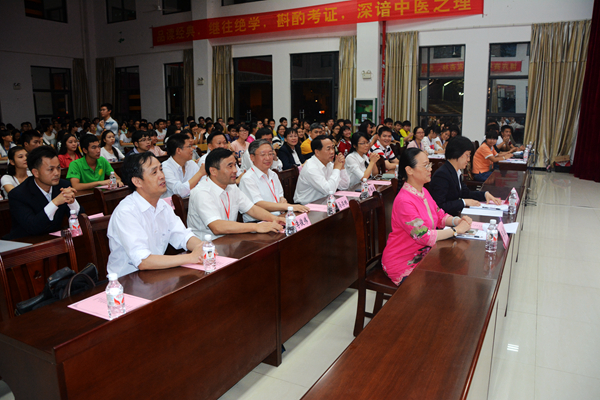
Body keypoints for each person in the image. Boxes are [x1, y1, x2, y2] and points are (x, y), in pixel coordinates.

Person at [381, 148, 472, 285]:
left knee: (453, 276)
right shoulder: (404, 201)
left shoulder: (423, 191)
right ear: (409, 170)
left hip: (425, 254)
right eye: (425, 165)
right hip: (403, 261)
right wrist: (456, 230)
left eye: (429, 164)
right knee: (439, 287)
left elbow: (440, 216)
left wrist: (457, 221)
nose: (430, 169)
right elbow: (424, 236)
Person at [106, 152, 204, 278]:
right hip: (127, 281)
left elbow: (183, 236)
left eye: (161, 170)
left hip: (155, 274)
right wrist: (190, 257)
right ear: (137, 181)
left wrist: (203, 248)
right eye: (154, 172)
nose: (162, 176)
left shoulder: (162, 205)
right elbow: (143, 261)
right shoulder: (126, 212)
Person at [187, 148, 285, 240]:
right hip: (207, 246)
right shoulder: (201, 192)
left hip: (229, 239)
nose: (235, 170)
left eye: (235, 165)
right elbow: (217, 227)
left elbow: (251, 209)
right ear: (213, 171)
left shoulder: (231, 187)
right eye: (230, 166)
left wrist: (275, 219)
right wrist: (256, 227)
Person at [5, 146, 81, 240]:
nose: (57, 173)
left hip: (55, 240)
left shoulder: (63, 185)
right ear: (35, 172)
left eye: (58, 168)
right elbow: (33, 227)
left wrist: (72, 202)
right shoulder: (18, 194)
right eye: (50, 169)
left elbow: (80, 217)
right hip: (26, 243)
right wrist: (54, 203)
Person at [429, 136, 502, 216]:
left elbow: (466, 193)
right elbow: (439, 206)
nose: (468, 160)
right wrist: (463, 202)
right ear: (457, 153)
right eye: (467, 155)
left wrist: (484, 195)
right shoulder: (442, 174)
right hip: (446, 219)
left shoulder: (456, 171)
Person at [239, 140, 310, 222]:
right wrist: (288, 206)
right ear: (252, 157)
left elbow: (280, 196)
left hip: (278, 216)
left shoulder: (273, 174)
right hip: (258, 221)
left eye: (270, 154)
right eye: (263, 155)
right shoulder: (247, 178)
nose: (268, 158)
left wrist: (282, 200)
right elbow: (259, 204)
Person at [294, 135, 350, 204]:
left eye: (333, 148)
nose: (332, 152)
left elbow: (344, 186)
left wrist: (341, 167)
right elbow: (329, 191)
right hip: (307, 206)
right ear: (317, 152)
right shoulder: (311, 168)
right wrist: (336, 168)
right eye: (328, 149)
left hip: (324, 201)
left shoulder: (329, 163)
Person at [162, 133, 206, 198]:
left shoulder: (191, 163)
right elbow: (179, 192)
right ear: (178, 150)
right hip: (172, 204)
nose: (192, 149)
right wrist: (200, 173)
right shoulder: (165, 168)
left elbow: (204, 183)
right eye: (189, 147)